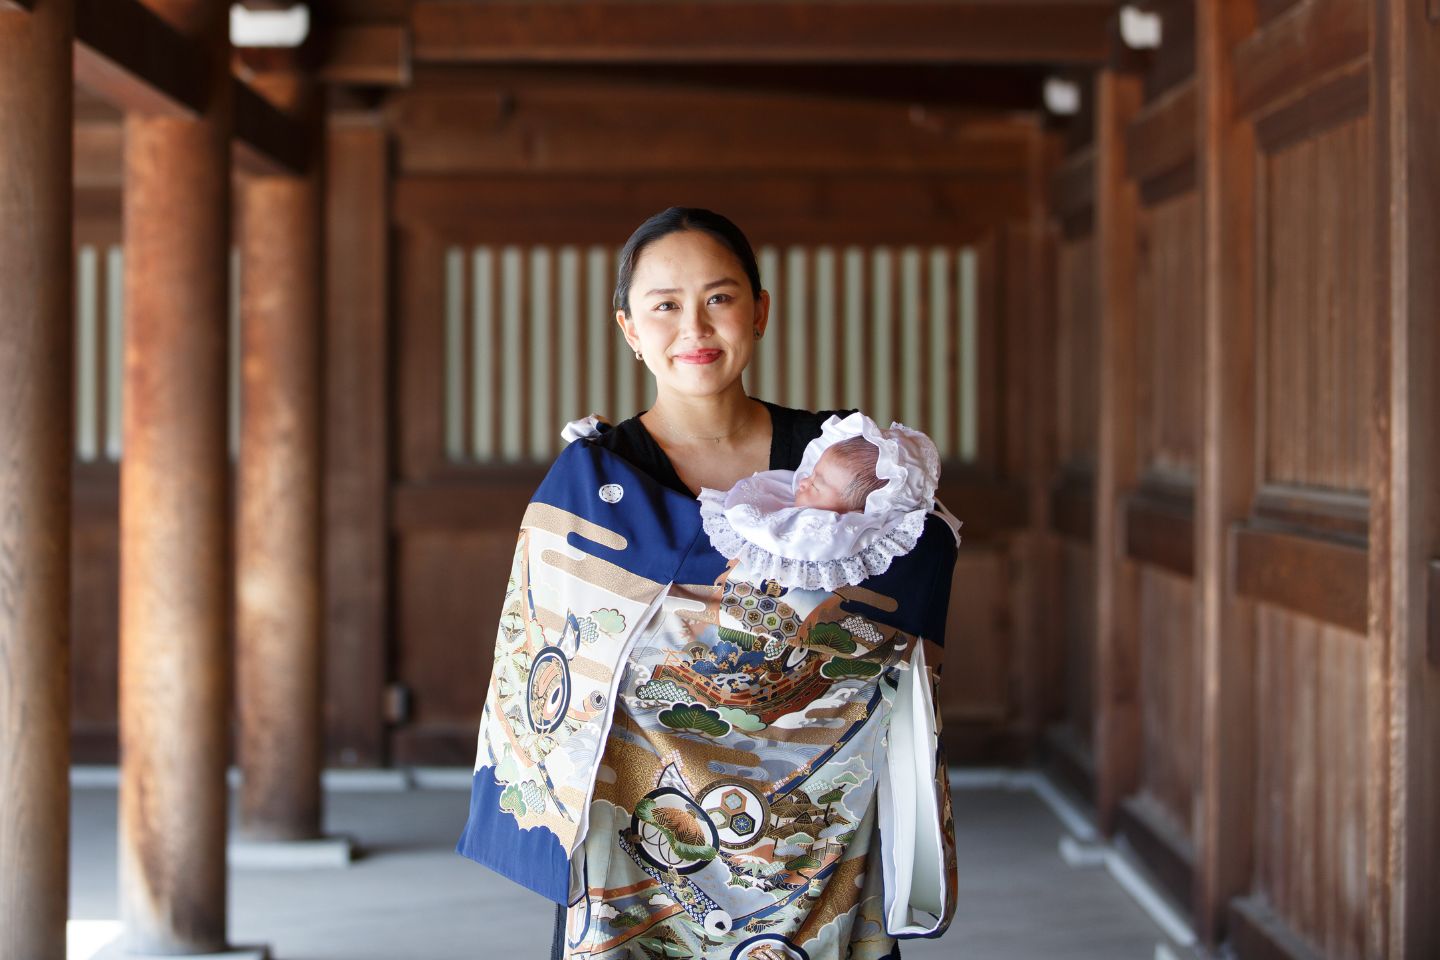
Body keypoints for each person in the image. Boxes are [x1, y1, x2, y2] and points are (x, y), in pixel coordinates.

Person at [457, 208, 960, 960]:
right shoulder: (594, 478)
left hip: (815, 825)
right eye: (665, 305)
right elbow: (542, 654)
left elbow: (913, 580)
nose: (695, 326)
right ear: (629, 328)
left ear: (760, 310)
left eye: (720, 298)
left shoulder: (835, 455)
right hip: (635, 823)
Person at [693, 411, 962, 594]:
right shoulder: (789, 489)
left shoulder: (837, 531)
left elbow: (805, 543)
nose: (803, 482)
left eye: (817, 484)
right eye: (811, 472)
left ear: (856, 512)